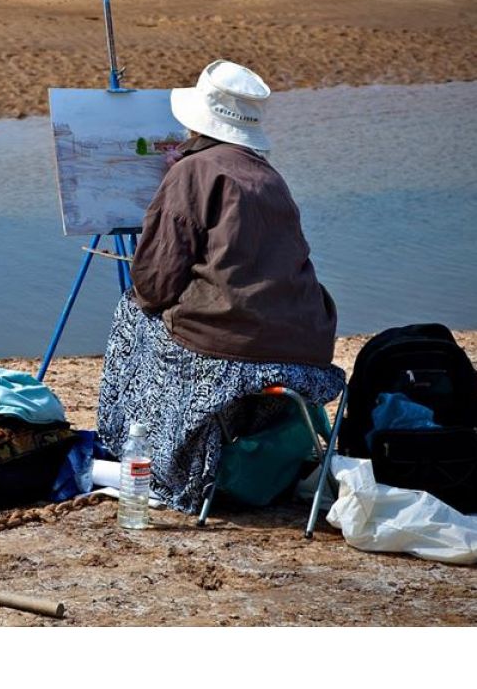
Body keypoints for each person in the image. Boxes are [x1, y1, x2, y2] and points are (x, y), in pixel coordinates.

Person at [97, 59, 345, 514]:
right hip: (307, 352)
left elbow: (153, 284)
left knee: (132, 314)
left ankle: (148, 459)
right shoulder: (268, 175)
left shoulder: (191, 172)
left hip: (235, 356)